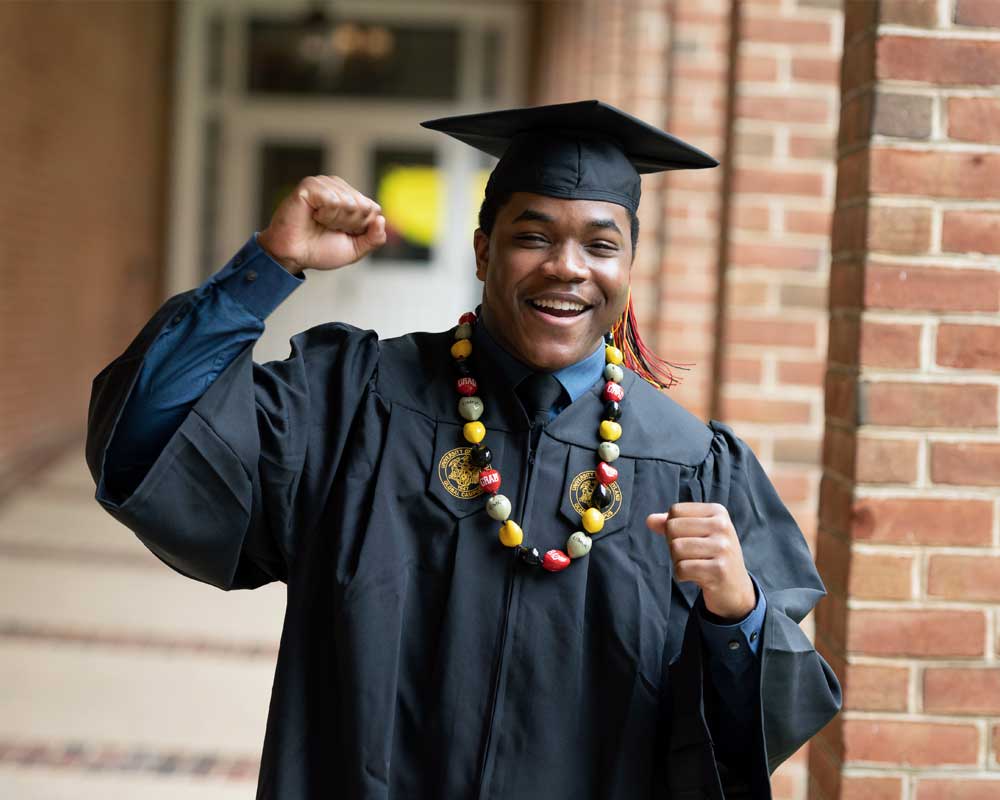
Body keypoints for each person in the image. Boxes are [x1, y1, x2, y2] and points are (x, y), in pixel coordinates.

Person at [86, 100, 840, 799]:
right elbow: (147, 443)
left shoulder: (691, 467)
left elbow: (749, 735)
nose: (567, 267)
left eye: (600, 244)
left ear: (628, 267)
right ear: (483, 250)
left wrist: (736, 614)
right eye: (533, 235)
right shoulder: (355, 402)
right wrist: (267, 268)